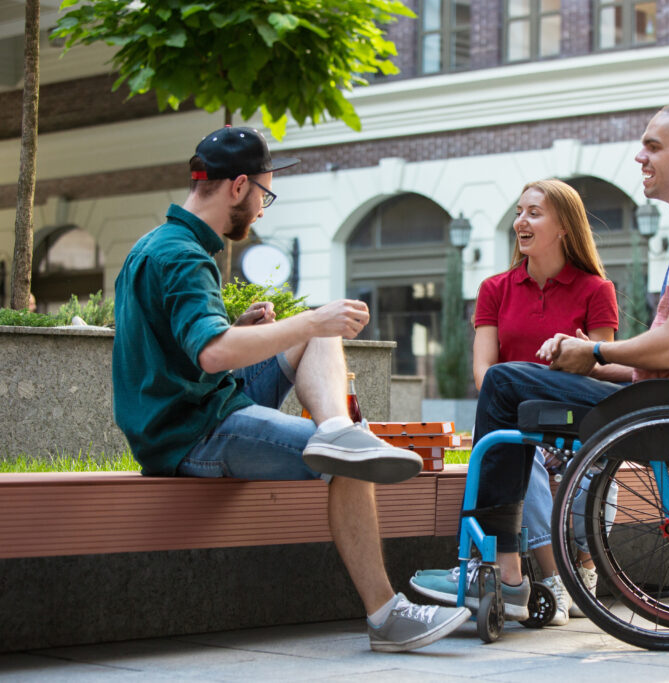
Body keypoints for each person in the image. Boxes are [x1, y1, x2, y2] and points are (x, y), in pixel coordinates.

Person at [111, 126, 469, 653]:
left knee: (322, 358)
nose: (263, 208)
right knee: (352, 451)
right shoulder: (184, 256)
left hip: (196, 405)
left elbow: (180, 347)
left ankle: (335, 431)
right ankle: (385, 615)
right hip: (193, 433)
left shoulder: (158, 244)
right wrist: (305, 323)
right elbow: (211, 352)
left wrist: (245, 326)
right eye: (264, 193)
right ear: (237, 186)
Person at [413, 95, 669, 612]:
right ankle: (510, 572)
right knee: (509, 386)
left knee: (504, 383)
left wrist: (596, 351)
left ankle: (494, 571)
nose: (639, 158)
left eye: (653, 146)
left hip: (666, 404)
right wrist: (591, 356)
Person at [410, 179, 622, 625]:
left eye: (534, 213)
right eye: (519, 212)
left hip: (572, 419)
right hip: (516, 418)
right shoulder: (495, 289)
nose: (520, 222)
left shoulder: (596, 290)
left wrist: (572, 355)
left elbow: (597, 369)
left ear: (565, 225)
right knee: (525, 452)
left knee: (557, 458)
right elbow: (484, 372)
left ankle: (565, 569)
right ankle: (552, 578)